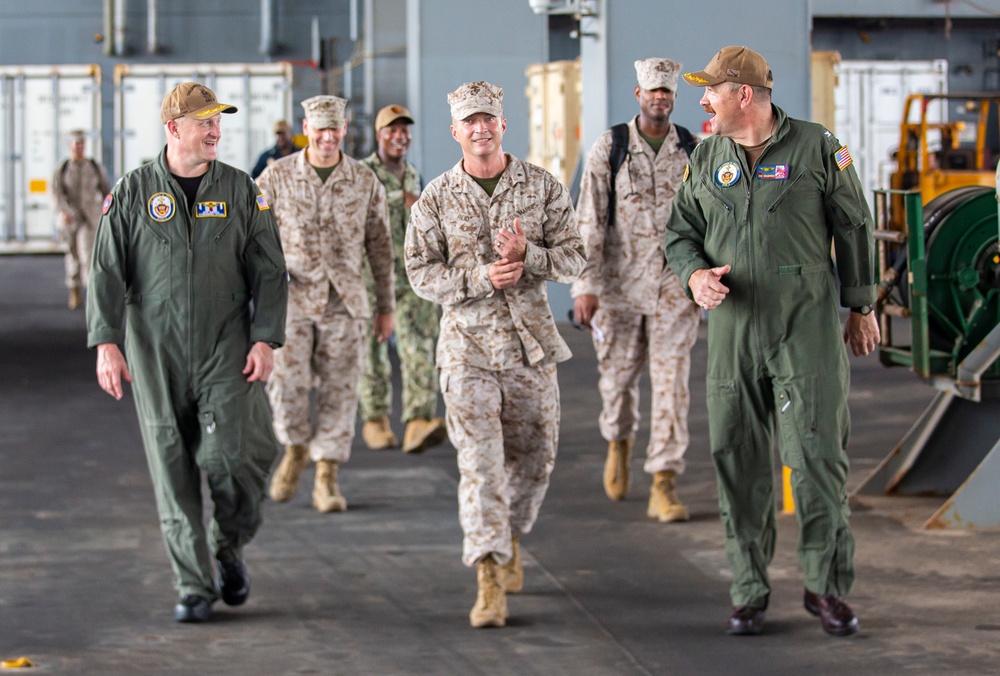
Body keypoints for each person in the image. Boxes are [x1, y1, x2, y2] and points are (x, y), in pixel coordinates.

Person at [664, 46, 881, 637]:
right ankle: (749, 589)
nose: (702, 99)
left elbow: (855, 224)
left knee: (816, 459)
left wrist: (861, 305)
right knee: (738, 460)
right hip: (733, 330)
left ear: (743, 93)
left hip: (803, 326)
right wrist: (693, 275)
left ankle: (827, 587)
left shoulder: (816, 147)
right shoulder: (706, 157)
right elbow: (680, 232)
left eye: (710, 89)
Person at [87, 82, 288, 623]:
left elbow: (269, 270)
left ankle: (228, 548)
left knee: (239, 458)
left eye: (217, 121)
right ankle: (193, 586)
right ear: (174, 129)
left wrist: (266, 337)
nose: (215, 130)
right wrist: (106, 340)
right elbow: (106, 270)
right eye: (205, 122)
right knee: (171, 465)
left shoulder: (243, 191)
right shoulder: (131, 193)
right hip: (155, 350)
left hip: (227, 345)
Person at [405, 81, 586, 628]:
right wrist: (480, 276)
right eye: (470, 121)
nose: (480, 128)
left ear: (503, 126)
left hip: (531, 349)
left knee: (536, 459)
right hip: (467, 351)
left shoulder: (542, 187)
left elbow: (575, 258)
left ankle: (507, 533)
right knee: (480, 465)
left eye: (489, 119)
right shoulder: (436, 196)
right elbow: (419, 272)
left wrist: (528, 255)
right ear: (455, 131)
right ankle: (488, 573)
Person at [571, 58, 701, 523]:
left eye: (667, 92)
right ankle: (619, 441)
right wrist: (584, 286)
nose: (660, 99)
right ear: (638, 94)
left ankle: (664, 481)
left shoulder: (692, 148)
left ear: (673, 97)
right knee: (618, 382)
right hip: (618, 286)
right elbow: (588, 220)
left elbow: (711, 219)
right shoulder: (612, 147)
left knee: (672, 385)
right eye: (652, 91)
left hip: (673, 285)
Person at [257, 95, 395, 514]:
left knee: (341, 390)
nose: (328, 137)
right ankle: (296, 448)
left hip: (345, 301)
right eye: (320, 129)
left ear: (344, 129)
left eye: (335, 129)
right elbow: (251, 237)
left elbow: (380, 246)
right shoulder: (275, 177)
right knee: (285, 386)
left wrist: (385, 306)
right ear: (306, 127)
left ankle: (327, 475)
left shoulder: (364, 180)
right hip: (293, 300)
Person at [359, 104, 447, 454]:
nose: (400, 136)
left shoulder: (413, 173)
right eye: (392, 130)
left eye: (405, 130)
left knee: (421, 343)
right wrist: (403, 199)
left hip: (413, 275)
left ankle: (418, 421)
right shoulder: (362, 174)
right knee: (373, 349)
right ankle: (375, 419)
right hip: (372, 277)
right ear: (379, 135)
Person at [52, 129, 111, 309]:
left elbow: (106, 190)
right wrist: (64, 211)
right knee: (72, 254)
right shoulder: (63, 169)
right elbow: (56, 193)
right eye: (76, 144)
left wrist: (107, 210)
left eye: (82, 144)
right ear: (70, 146)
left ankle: (91, 291)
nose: (79, 147)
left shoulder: (93, 166)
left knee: (88, 254)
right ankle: (74, 289)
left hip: (90, 218)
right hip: (71, 218)